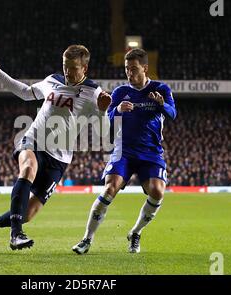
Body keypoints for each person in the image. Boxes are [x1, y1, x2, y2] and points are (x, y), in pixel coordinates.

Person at [0, 44, 112, 252]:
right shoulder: (53, 80)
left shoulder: (94, 93)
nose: (68, 71)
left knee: (28, 214)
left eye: (74, 68)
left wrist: (103, 111)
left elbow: (104, 131)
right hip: (34, 140)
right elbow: (25, 92)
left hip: (59, 158)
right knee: (28, 168)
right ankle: (16, 235)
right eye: (65, 66)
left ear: (85, 68)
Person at [72, 48, 177, 254]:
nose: (130, 73)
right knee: (109, 188)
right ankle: (87, 239)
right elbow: (106, 121)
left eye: (134, 69)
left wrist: (162, 104)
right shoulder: (120, 92)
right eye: (127, 69)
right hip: (124, 151)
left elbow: (172, 114)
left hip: (151, 153)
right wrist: (117, 110)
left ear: (145, 68)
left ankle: (136, 232)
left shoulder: (161, 89)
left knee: (157, 191)